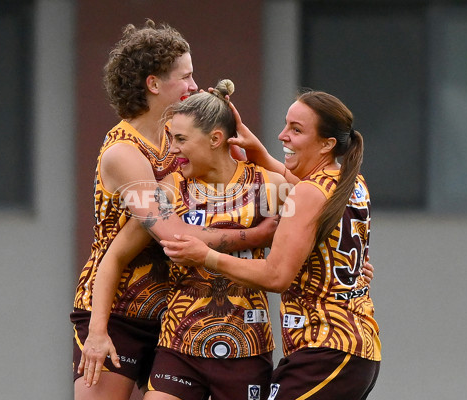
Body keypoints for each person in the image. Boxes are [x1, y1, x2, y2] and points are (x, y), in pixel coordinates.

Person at [70, 21, 274, 400]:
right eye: (186, 76)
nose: (195, 86)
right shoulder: (123, 153)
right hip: (117, 312)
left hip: (170, 313)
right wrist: (256, 236)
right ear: (153, 84)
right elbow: (171, 233)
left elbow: (248, 189)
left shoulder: (177, 137)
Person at [161, 89, 381, 400]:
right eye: (286, 125)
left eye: (296, 129)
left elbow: (276, 276)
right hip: (357, 347)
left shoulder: (308, 193)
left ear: (327, 143)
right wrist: (262, 155)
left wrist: (207, 256)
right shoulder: (351, 181)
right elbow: (308, 191)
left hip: (326, 348)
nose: (283, 135)